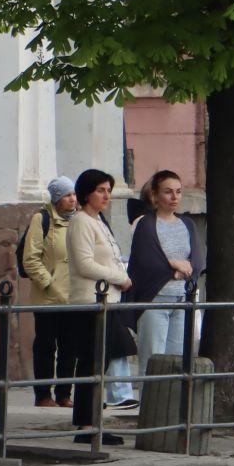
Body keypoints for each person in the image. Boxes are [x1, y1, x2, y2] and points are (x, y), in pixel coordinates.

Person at [68, 168, 133, 443]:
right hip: (90, 301)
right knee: (92, 363)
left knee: (104, 360)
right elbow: (85, 264)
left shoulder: (98, 221)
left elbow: (110, 258)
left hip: (109, 299)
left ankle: (93, 421)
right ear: (87, 193)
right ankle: (86, 425)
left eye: (108, 190)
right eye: (100, 190)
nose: (106, 195)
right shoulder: (81, 221)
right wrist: (121, 278)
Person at [127, 170, 205, 364]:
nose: (174, 197)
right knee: (151, 362)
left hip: (182, 300)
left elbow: (197, 261)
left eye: (178, 191)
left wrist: (178, 269)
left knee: (176, 362)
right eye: (168, 192)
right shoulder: (146, 224)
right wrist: (174, 266)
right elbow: (145, 261)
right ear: (155, 195)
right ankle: (148, 396)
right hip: (155, 301)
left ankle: (173, 397)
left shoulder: (187, 224)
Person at [20, 176, 79, 407]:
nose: (72, 199)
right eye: (67, 195)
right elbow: (31, 259)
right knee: (45, 346)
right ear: (56, 198)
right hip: (48, 297)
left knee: (70, 347)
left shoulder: (78, 221)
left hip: (73, 296)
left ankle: (64, 394)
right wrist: (49, 283)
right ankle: (43, 394)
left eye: (74, 194)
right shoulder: (41, 219)